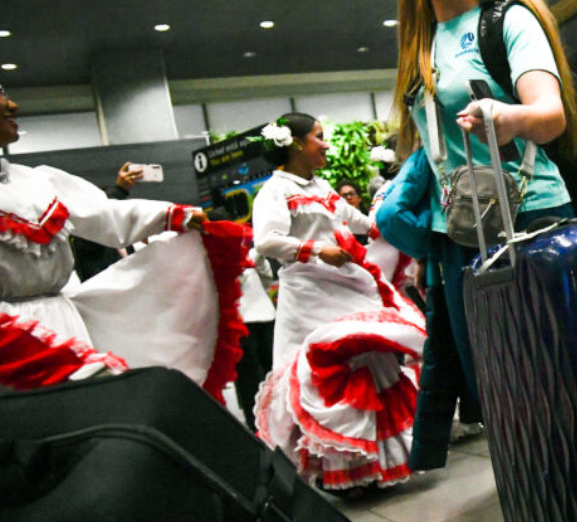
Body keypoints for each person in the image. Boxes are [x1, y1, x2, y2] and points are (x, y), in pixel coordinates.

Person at [390, 0, 577, 470]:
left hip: (528, 219)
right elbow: (432, 144)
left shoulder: (507, 18)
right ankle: (544, 517)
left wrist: (504, 116)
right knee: (499, 393)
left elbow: (550, 115)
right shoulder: (420, 40)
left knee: (553, 382)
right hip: (460, 239)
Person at [0, 85, 249, 396]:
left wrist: (170, 215)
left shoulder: (36, 180)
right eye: (1, 95)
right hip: (9, 338)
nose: (13, 105)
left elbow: (104, 215)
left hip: (63, 323)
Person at [252, 112, 425, 491]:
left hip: (344, 288)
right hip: (310, 294)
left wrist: (393, 225)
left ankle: (378, 464)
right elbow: (265, 240)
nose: (326, 144)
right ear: (296, 143)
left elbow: (357, 220)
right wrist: (315, 250)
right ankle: (345, 470)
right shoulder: (275, 191)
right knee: (330, 375)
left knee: (371, 363)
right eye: (318, 136)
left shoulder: (320, 186)